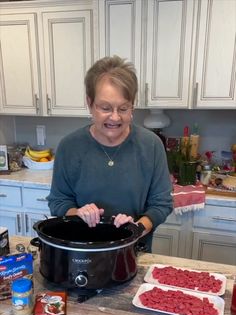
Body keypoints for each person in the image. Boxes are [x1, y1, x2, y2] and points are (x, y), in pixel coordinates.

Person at [48, 56, 173, 252]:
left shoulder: (151, 145)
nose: (115, 117)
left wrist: (136, 228)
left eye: (123, 108)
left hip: (133, 252)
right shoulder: (69, 146)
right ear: (90, 103)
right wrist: (77, 214)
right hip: (83, 250)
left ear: (132, 105)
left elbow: (161, 204)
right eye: (105, 108)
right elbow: (58, 201)